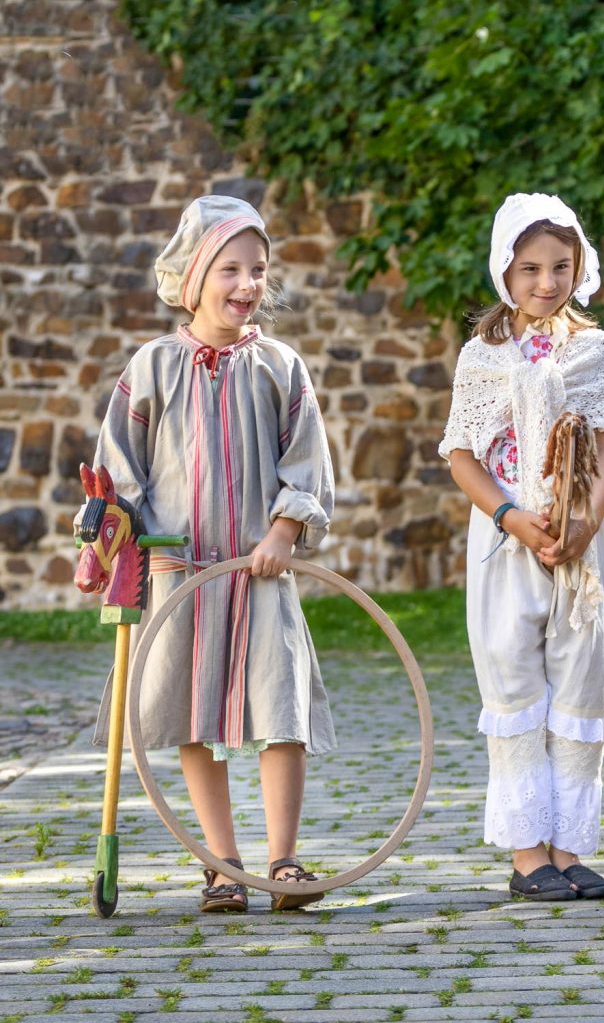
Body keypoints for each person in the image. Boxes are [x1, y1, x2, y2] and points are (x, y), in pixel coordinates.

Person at [87, 196, 335, 912]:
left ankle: (282, 862)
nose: (248, 283)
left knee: (277, 711)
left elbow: (306, 460)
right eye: (231, 268)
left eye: (258, 269)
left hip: (260, 572)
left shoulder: (280, 367)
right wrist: (119, 530)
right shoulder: (152, 368)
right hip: (182, 575)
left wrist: (285, 532)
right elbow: (119, 467)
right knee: (196, 717)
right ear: (194, 276)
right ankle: (222, 863)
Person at [440, 193, 604, 901]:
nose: (546, 283)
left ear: (579, 266)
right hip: (509, 539)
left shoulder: (598, 351)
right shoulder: (482, 357)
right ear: (506, 271)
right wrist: (512, 517)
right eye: (530, 268)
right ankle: (528, 853)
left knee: (581, 680)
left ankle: (570, 845)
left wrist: (586, 522)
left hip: (582, 540)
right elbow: (462, 455)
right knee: (513, 679)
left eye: (560, 266)